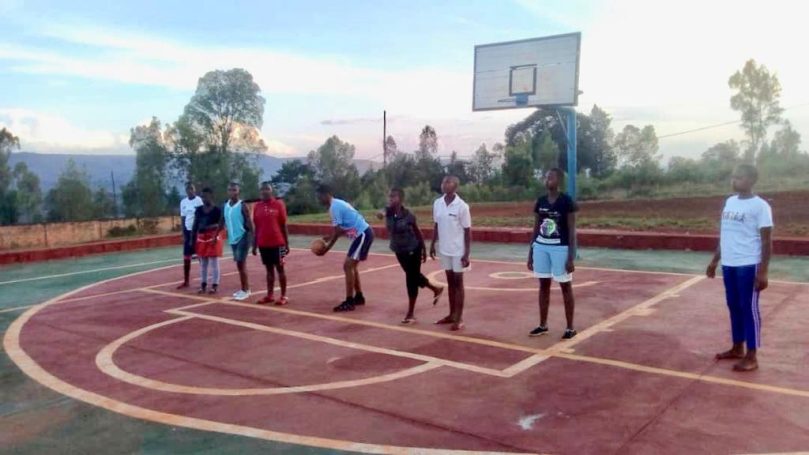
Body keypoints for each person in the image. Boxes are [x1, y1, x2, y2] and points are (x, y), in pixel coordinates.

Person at [706, 164, 773, 372]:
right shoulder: (730, 201)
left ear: (751, 180)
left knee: (749, 309)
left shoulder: (760, 206)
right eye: (733, 177)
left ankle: (752, 356)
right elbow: (725, 234)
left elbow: (767, 241)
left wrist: (762, 271)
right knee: (733, 306)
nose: (734, 181)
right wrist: (715, 260)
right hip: (730, 264)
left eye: (740, 178)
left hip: (748, 265)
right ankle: (737, 347)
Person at [376, 188, 444, 324]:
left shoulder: (408, 214)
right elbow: (381, 212)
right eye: (389, 197)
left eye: (393, 197)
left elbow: (417, 231)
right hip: (398, 250)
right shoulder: (388, 211)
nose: (390, 199)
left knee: (411, 278)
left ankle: (410, 313)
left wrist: (424, 249)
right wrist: (381, 214)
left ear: (400, 199)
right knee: (413, 275)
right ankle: (436, 288)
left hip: (413, 248)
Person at [527, 168, 579, 340]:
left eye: (551, 177)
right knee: (543, 286)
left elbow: (572, 230)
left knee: (565, 286)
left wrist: (571, 256)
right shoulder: (540, 201)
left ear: (559, 181)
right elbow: (535, 227)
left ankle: (570, 327)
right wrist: (531, 252)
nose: (547, 179)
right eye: (546, 176)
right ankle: (543, 325)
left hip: (560, 247)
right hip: (541, 246)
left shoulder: (567, 201)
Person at [316, 184, 374, 312]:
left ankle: (349, 301)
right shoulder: (337, 204)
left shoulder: (334, 207)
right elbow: (341, 229)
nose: (318, 199)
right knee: (352, 266)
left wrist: (327, 248)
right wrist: (330, 236)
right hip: (363, 233)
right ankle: (358, 297)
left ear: (327, 194)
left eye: (319, 196)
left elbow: (338, 232)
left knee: (348, 265)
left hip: (362, 234)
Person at [430, 176, 471, 331]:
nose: (444, 184)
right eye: (443, 182)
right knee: (450, 282)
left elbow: (467, 231)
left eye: (448, 182)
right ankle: (452, 314)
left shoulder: (462, 206)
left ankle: (459, 318)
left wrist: (466, 254)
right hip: (444, 249)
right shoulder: (437, 203)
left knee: (458, 283)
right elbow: (436, 225)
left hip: (458, 250)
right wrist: (433, 243)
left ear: (456, 186)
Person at [252, 181, 290, 305]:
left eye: (267, 189)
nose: (264, 191)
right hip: (263, 243)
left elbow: (283, 225)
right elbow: (256, 227)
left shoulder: (278, 205)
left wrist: (286, 244)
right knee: (269, 271)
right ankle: (270, 295)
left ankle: (283, 295)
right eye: (262, 189)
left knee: (280, 269)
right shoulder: (257, 206)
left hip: (278, 243)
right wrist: (254, 244)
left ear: (271, 190)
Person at [224, 182, 254, 301]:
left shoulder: (242, 205)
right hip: (233, 238)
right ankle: (243, 289)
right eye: (230, 190)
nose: (232, 192)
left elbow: (249, 223)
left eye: (234, 190)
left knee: (241, 264)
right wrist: (216, 234)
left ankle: (246, 290)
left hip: (243, 237)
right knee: (239, 264)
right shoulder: (226, 205)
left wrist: (253, 238)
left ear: (238, 191)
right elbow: (222, 220)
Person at [191, 187, 223, 294]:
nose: (204, 198)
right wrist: (192, 239)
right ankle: (203, 284)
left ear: (211, 196)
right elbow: (195, 224)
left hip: (213, 236)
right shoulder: (199, 210)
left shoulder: (217, 210)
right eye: (202, 196)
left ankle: (214, 284)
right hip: (201, 237)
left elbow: (221, 224)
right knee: (203, 262)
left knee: (214, 261)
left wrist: (214, 230)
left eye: (206, 196)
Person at [178, 183, 203, 289]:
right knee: (186, 257)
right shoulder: (183, 202)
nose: (190, 191)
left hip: (197, 231)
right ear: (186, 191)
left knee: (201, 257)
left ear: (195, 190)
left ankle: (204, 280)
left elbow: (202, 216)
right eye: (188, 189)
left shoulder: (199, 201)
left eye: (192, 189)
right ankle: (186, 281)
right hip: (188, 232)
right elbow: (183, 218)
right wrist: (183, 234)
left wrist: (201, 231)